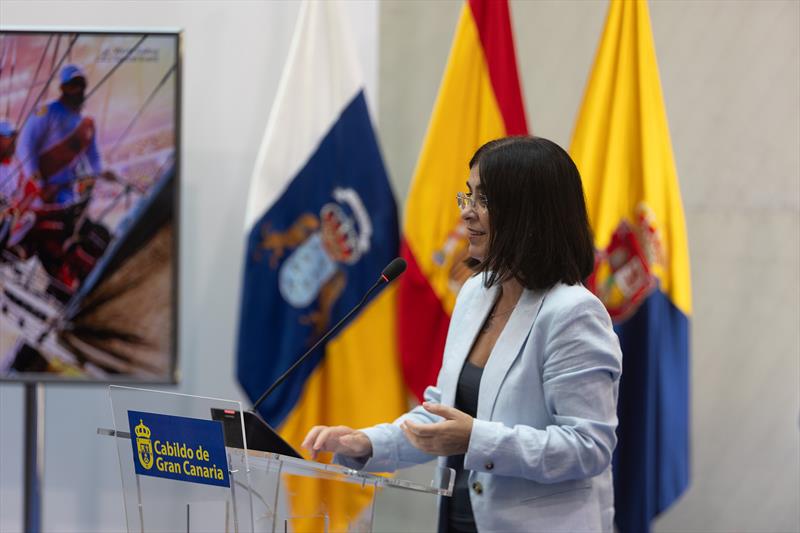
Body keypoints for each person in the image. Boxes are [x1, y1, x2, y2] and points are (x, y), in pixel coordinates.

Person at [302, 136, 623, 533]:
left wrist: (476, 438)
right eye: (467, 197)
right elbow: (443, 411)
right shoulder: (476, 292)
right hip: (458, 521)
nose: (467, 215)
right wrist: (367, 443)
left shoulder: (573, 313)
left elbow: (588, 447)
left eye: (484, 201)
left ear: (528, 213)